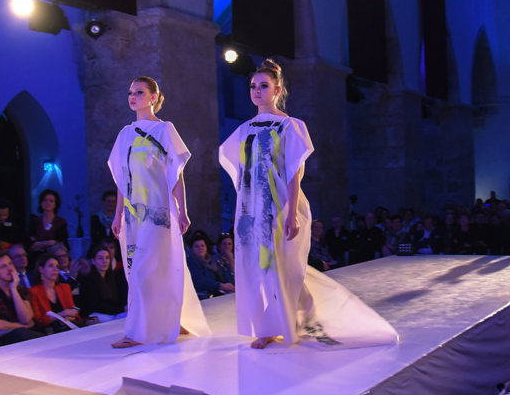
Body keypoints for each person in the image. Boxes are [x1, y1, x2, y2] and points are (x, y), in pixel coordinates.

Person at [219, 59, 398, 349]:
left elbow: (294, 172)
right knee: (258, 266)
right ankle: (273, 325)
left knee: (279, 266)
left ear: (277, 90)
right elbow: (240, 169)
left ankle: (290, 320)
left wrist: (291, 213)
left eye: (264, 85)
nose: (257, 90)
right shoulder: (244, 130)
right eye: (253, 86)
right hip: (252, 207)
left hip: (280, 205)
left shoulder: (290, 126)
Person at [107, 75, 210, 347]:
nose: (132, 96)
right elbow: (122, 179)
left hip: (158, 212)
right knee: (140, 272)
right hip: (133, 215)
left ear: (153, 97)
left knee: (147, 269)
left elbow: (176, 174)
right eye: (130, 92)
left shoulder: (164, 130)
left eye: (139, 92)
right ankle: (172, 320)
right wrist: (117, 214)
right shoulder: (125, 134)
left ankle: (137, 333)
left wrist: (183, 210)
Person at [0, 252, 43, 346]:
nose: (10, 268)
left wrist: (13, 289)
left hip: (26, 334)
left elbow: (26, 319)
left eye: (10, 264)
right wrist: (21, 326)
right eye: (3, 266)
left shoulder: (21, 289)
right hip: (2, 338)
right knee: (22, 333)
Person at [29, 253, 80, 333]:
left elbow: (72, 310)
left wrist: (71, 317)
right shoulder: (33, 292)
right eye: (51, 266)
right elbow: (39, 321)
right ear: (41, 269)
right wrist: (62, 314)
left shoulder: (65, 287)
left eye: (57, 266)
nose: (55, 269)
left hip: (68, 327)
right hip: (48, 332)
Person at [77, 247, 126, 322]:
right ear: (93, 261)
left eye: (107, 258)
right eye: (100, 258)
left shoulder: (110, 279)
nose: (105, 261)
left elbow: (113, 301)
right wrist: (121, 309)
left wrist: (124, 307)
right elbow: (95, 305)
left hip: (110, 313)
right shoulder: (88, 280)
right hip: (95, 314)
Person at [28, 189, 70, 266]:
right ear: (41, 203)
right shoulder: (35, 221)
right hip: (37, 258)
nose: (48, 203)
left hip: (56, 258)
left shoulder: (61, 222)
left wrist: (40, 244)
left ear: (55, 204)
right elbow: (31, 246)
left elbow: (63, 244)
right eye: (45, 200)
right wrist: (48, 243)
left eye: (51, 201)